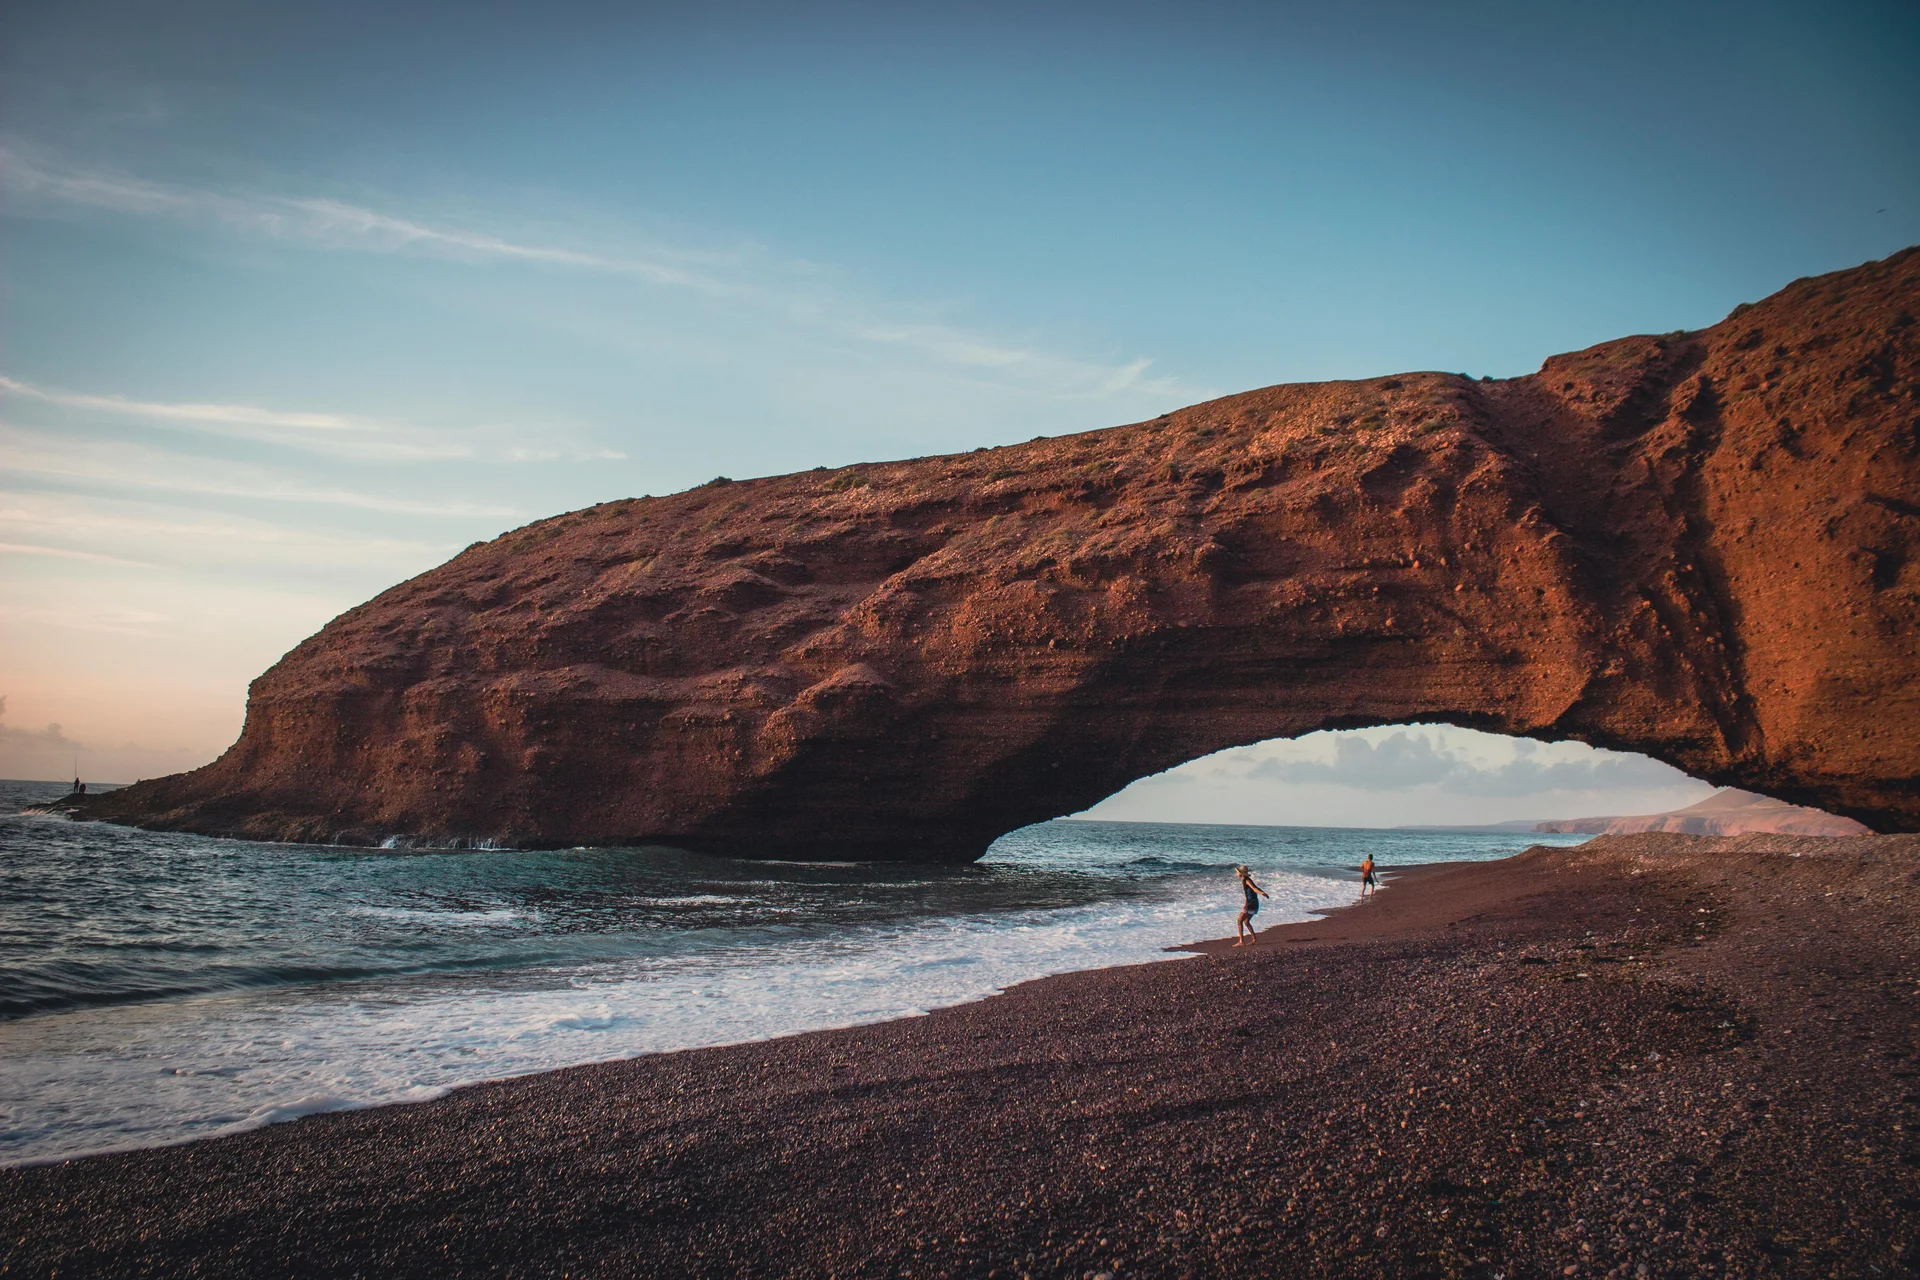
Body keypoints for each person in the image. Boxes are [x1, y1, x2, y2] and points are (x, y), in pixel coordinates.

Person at [1234, 864, 1269, 947]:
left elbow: (1254, 888)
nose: (1237, 874)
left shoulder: (1247, 880)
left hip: (1250, 903)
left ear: (1241, 874)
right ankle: (1254, 939)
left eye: (1238, 872)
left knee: (1239, 921)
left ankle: (1241, 941)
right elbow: (1256, 887)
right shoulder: (1246, 879)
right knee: (1246, 922)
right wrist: (1263, 892)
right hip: (1254, 903)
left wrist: (1262, 893)